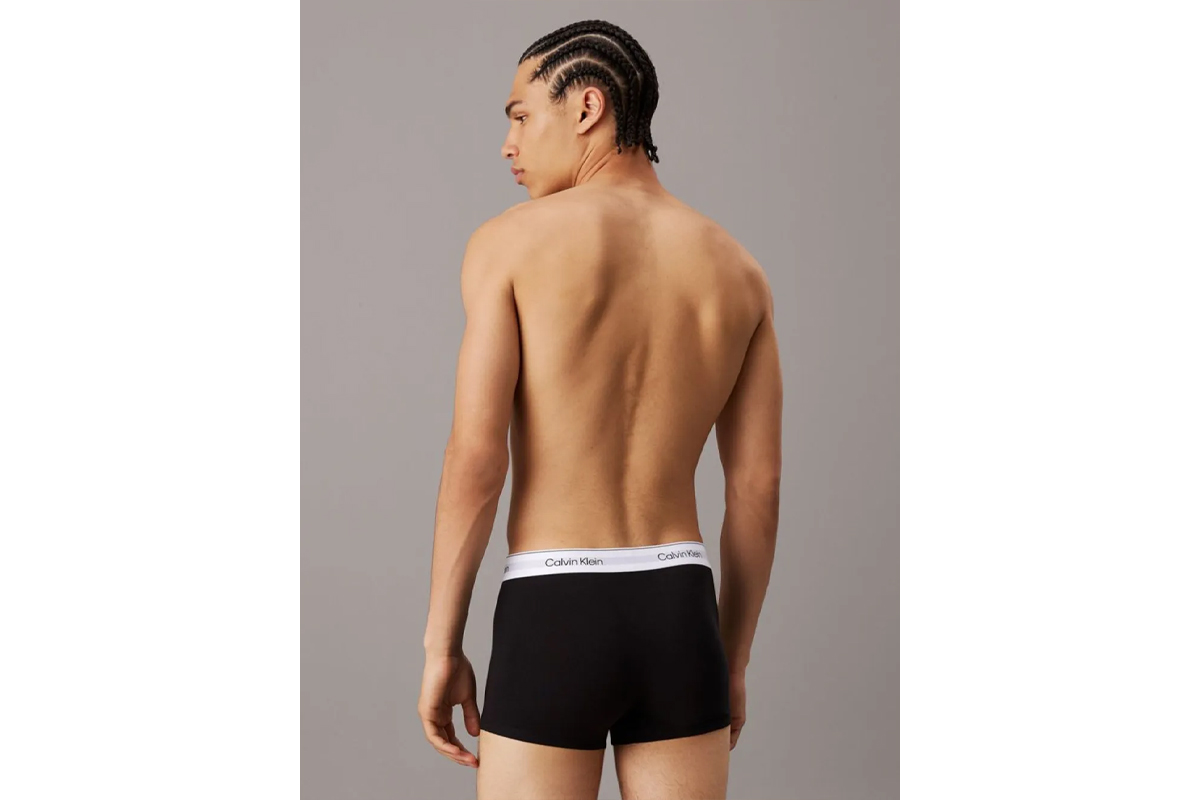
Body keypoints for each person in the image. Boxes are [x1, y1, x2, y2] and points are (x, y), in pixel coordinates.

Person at [417, 18, 782, 800]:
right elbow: (756, 489)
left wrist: (441, 646)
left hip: (554, 605)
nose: (509, 145)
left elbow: (476, 458)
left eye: (521, 116)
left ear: (587, 107)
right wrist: (732, 659)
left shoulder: (510, 244)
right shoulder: (738, 269)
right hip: (680, 608)